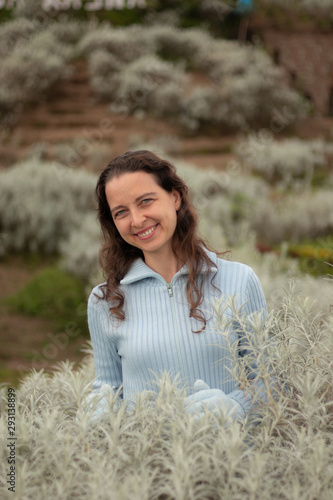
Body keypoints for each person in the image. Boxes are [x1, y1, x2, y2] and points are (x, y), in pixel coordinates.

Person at [82, 150, 271, 424]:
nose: (136, 220)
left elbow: (270, 381)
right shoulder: (105, 300)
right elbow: (108, 389)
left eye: (145, 201)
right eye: (121, 212)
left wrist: (234, 407)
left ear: (175, 197)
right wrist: (97, 411)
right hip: (146, 464)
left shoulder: (239, 281)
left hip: (231, 461)